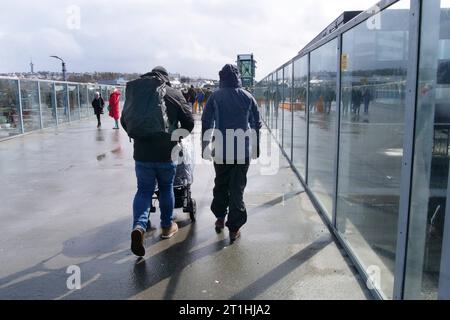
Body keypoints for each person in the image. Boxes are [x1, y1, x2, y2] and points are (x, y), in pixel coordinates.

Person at [125, 66, 195, 257]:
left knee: (144, 190)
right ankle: (166, 226)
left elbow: (125, 120)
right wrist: (177, 137)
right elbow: (189, 121)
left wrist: (138, 136)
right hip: (166, 152)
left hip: (142, 153)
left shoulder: (136, 92)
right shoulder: (173, 93)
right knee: (166, 188)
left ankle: (139, 227)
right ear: (166, 78)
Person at [202, 64, 262, 243]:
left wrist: (205, 147)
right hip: (242, 151)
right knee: (237, 187)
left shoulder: (215, 96)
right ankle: (234, 228)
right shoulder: (247, 97)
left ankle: (220, 218)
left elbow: (206, 122)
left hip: (220, 150)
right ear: (238, 78)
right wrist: (256, 148)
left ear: (221, 77)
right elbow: (256, 123)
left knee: (221, 184)